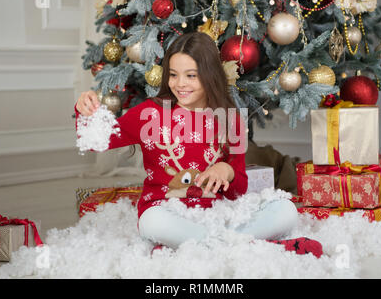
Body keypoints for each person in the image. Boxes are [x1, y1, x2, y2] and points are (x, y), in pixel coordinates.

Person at [75, 32, 322, 258]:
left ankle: (203, 245)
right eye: (173, 74)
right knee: (151, 223)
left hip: (217, 214)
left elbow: (238, 190)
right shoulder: (149, 113)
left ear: (209, 75)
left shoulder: (229, 118)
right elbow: (97, 140)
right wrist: (85, 111)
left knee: (286, 210)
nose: (180, 84)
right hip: (166, 213)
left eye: (191, 75)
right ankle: (248, 246)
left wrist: (226, 170)